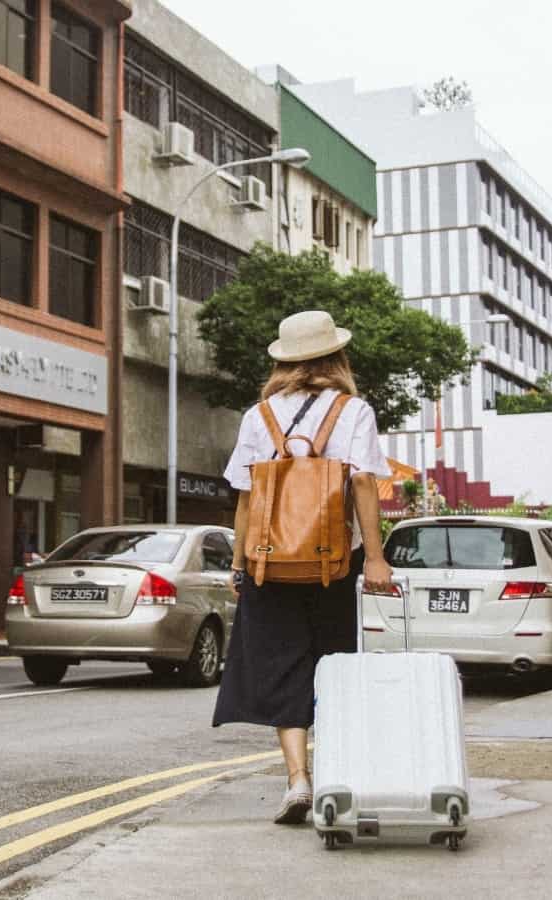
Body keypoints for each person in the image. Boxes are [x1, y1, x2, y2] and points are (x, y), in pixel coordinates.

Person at [212, 310, 393, 825]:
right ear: (336, 357)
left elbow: (246, 497)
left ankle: (297, 779)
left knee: (280, 664)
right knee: (331, 664)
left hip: (269, 562)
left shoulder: (259, 415)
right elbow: (362, 484)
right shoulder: (353, 410)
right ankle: (334, 773)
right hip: (331, 562)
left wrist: (240, 564)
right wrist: (376, 558)